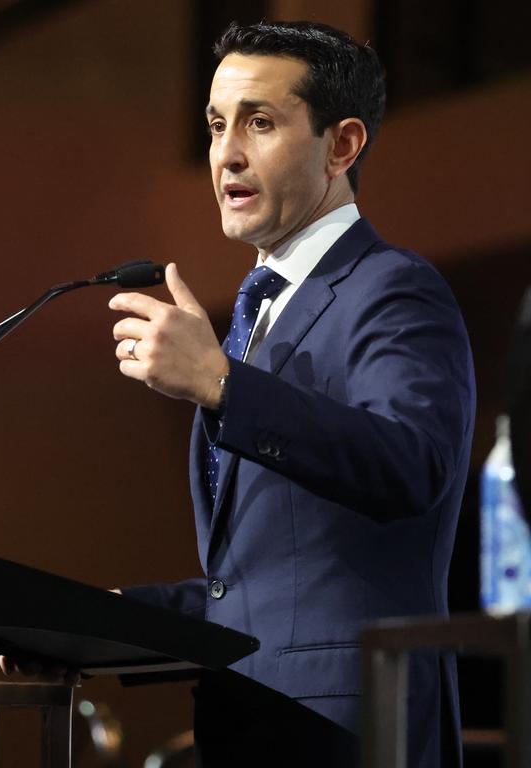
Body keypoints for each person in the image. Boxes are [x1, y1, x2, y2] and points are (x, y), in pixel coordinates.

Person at [107, 21, 474, 768]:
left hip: (346, 727)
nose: (227, 154)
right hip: (250, 723)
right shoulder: (255, 318)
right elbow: (263, 583)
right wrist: (94, 622)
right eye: (216, 126)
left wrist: (218, 384)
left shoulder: (392, 289)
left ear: (342, 146)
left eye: (261, 123)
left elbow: (412, 465)